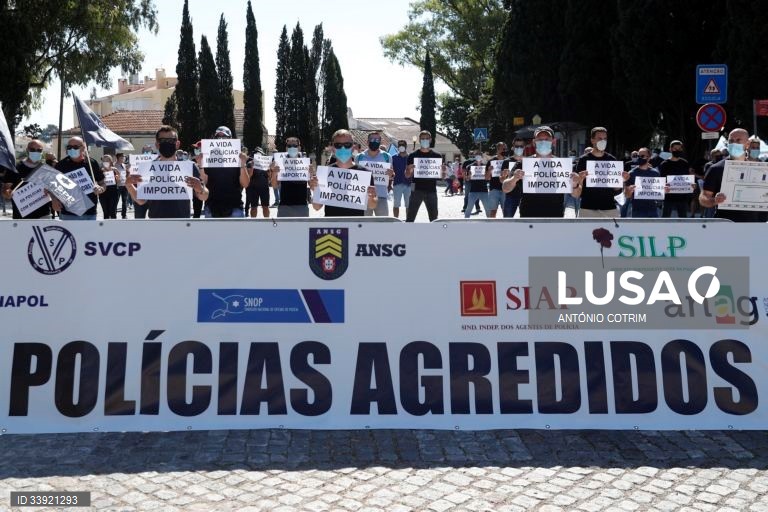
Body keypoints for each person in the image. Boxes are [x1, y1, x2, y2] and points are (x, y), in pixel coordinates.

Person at [125, 125, 209, 218]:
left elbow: (204, 196)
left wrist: (200, 189)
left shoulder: (189, 167)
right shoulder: (148, 168)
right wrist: (129, 185)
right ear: (157, 144)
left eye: (170, 141)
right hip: (157, 224)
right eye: (163, 141)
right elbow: (141, 200)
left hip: (182, 224)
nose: (167, 143)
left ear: (177, 144)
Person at [504, 126, 581, 218]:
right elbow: (505, 188)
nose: (543, 142)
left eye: (547, 139)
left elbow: (576, 194)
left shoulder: (562, 165)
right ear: (534, 142)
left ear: (553, 141)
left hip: (555, 217)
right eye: (540, 139)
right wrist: (514, 178)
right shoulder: (523, 164)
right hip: (528, 218)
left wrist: (575, 184)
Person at [700, 128, 765, 222]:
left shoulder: (760, 169)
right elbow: (703, 198)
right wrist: (714, 201)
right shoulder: (716, 169)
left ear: (747, 144)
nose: (734, 143)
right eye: (731, 141)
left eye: (738, 140)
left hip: (756, 225)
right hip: (726, 224)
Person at [311, 129, 376, 217]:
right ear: (333, 148)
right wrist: (315, 189)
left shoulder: (364, 173)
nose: (343, 148)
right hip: (332, 226)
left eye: (347, 145)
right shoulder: (325, 173)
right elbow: (317, 207)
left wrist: (371, 197)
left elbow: (372, 205)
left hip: (356, 225)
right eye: (338, 145)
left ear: (353, 147)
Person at [199, 126, 249, 218]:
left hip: (234, 207)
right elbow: (203, 183)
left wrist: (243, 164)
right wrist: (201, 165)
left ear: (230, 139)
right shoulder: (208, 159)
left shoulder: (237, 159)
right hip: (212, 208)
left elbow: (245, 184)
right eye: (218, 137)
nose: (221, 140)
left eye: (224, 137)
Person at [576, 127, 626, 218]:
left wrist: (621, 180)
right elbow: (578, 190)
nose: (603, 141)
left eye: (605, 139)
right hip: (587, 208)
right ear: (592, 140)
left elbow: (616, 189)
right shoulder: (583, 160)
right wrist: (580, 179)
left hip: (609, 208)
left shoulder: (612, 160)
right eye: (599, 138)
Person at [2, 138, 58, 219]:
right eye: (33, 149)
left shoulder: (46, 169)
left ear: (42, 152)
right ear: (27, 150)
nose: (36, 152)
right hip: (21, 217)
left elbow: (57, 188)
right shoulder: (15, 168)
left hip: (44, 215)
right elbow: (5, 190)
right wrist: (7, 193)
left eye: (39, 150)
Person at [55, 136, 105, 220]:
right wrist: (54, 199)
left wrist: (100, 189)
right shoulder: (61, 165)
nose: (72, 149)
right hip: (68, 213)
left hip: (89, 212)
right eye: (69, 147)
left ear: (83, 148)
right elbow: (52, 186)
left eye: (75, 147)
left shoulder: (92, 163)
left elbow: (102, 183)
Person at [404, 130, 446, 222]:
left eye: (427, 138)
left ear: (430, 140)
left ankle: (434, 236)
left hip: (431, 190)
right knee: (410, 217)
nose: (425, 140)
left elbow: (442, 177)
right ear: (419, 140)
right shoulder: (412, 155)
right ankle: (407, 235)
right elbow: (407, 175)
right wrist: (409, 170)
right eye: (423, 139)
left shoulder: (437, 156)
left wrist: (443, 172)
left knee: (434, 218)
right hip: (416, 190)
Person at [270, 136, 312, 217]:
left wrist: (311, 174)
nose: (292, 148)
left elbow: (311, 185)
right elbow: (275, 185)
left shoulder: (305, 162)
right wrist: (274, 173)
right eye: (289, 146)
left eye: (295, 146)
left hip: (302, 206)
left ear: (299, 147)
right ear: (286, 148)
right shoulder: (280, 162)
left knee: (302, 230)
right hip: (284, 206)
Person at [356, 131, 393, 216]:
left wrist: (391, 174)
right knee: (363, 225)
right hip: (363, 197)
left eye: (377, 139)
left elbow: (390, 175)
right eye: (372, 139)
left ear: (380, 141)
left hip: (381, 195)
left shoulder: (387, 157)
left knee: (382, 226)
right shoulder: (359, 157)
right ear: (367, 141)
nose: (375, 141)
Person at [659, 140, 693, 218]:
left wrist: (692, 185)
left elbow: (688, 179)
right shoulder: (664, 164)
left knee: (683, 219)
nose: (677, 150)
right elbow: (662, 180)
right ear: (670, 149)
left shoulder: (685, 163)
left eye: (679, 148)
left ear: (682, 149)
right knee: (665, 218)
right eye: (675, 148)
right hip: (668, 197)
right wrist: (664, 186)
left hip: (682, 197)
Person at [624, 147, 661, 218]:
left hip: (653, 210)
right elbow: (627, 195)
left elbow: (658, 192)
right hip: (637, 210)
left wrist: (664, 190)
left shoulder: (655, 173)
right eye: (638, 156)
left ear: (649, 157)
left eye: (642, 156)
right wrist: (629, 190)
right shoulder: (631, 173)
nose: (639, 158)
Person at [501, 138, 526, 217]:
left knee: (527, 221)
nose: (519, 148)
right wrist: (504, 176)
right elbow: (501, 180)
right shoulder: (506, 161)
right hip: (511, 195)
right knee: (507, 221)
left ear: (524, 147)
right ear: (513, 147)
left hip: (525, 196)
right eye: (517, 146)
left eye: (521, 146)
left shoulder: (529, 161)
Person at [463, 150, 490, 218]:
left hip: (484, 191)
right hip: (473, 191)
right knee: (468, 209)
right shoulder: (469, 166)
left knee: (488, 209)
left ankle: (491, 223)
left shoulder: (485, 166)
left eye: (480, 155)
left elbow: (488, 178)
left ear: (482, 157)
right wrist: (469, 176)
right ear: (475, 156)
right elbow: (467, 179)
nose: (478, 156)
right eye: (477, 155)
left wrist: (489, 171)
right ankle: (465, 223)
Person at [246, 148, 271, 218]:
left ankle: (267, 222)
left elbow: (269, 179)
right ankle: (253, 223)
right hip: (253, 188)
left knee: (265, 206)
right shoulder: (249, 163)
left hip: (264, 188)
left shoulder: (266, 164)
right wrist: (252, 168)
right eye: (256, 154)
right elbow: (248, 177)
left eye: (260, 154)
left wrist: (270, 172)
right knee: (253, 207)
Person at [391, 139, 412, 219]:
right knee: (396, 205)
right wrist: (389, 184)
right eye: (399, 145)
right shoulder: (393, 158)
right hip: (397, 184)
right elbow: (391, 171)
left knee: (409, 205)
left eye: (403, 145)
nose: (401, 146)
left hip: (409, 184)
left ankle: (408, 221)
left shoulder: (411, 157)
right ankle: (396, 220)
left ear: (406, 146)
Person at [486, 142, 507, 218]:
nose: (505, 150)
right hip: (494, 190)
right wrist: (489, 171)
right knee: (492, 212)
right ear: (498, 149)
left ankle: (506, 227)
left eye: (505, 149)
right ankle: (492, 227)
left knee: (506, 211)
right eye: (503, 149)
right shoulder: (491, 161)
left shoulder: (508, 161)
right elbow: (487, 178)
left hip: (506, 190)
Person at [134, 144, 155, 219]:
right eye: (146, 151)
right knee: (139, 219)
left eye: (149, 151)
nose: (147, 152)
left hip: (154, 196)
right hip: (140, 194)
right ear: (142, 153)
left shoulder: (158, 164)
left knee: (155, 220)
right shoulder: (135, 164)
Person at [98, 154, 119, 219]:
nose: (106, 161)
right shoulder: (99, 171)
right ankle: (106, 228)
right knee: (105, 213)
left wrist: (117, 176)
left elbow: (119, 182)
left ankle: (114, 227)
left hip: (113, 193)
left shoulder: (115, 169)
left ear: (111, 161)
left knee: (113, 212)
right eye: (104, 160)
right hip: (103, 193)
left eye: (107, 160)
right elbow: (97, 182)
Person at [114, 153, 130, 219]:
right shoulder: (114, 165)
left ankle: (124, 215)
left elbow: (126, 174)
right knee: (116, 201)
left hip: (124, 185)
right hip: (117, 185)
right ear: (118, 158)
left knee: (125, 201)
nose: (123, 159)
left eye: (123, 157)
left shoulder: (124, 165)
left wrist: (128, 172)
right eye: (122, 157)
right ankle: (113, 214)